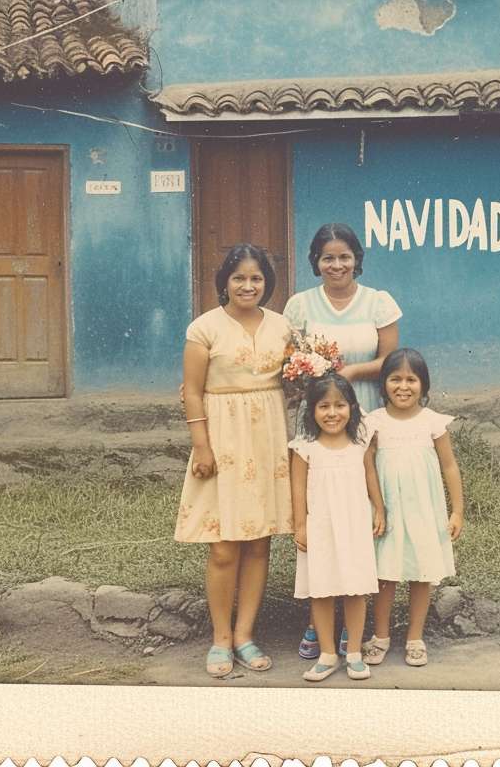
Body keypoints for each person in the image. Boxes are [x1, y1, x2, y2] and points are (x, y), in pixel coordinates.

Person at [283, 222, 402, 658]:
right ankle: (318, 626)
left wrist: (349, 373)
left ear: (357, 259)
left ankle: (360, 624)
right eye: (327, 257)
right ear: (316, 261)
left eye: (345, 256)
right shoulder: (299, 305)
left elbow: (389, 358)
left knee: (361, 513)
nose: (336, 265)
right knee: (321, 515)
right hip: (319, 419)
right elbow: (287, 359)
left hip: (364, 411)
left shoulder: (379, 302)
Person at [175, 242, 293, 678]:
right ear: (224, 281)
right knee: (224, 545)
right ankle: (220, 638)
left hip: (268, 439)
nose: (248, 285)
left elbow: (295, 381)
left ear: (267, 283)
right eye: (239, 277)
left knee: (259, 539)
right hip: (222, 439)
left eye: (257, 278)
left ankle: (245, 634)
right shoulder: (204, 328)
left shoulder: (283, 327)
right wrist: (202, 446)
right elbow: (191, 390)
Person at [361, 348, 464, 668]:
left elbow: (449, 467)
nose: (403, 387)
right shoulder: (374, 422)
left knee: (422, 572)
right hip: (388, 509)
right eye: (395, 379)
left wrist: (457, 510)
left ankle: (415, 638)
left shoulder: (432, 422)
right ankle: (380, 636)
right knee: (384, 573)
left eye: (411, 379)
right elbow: (368, 468)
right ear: (383, 384)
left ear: (424, 385)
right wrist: (378, 508)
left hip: (424, 509)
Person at [289, 371, 386, 682]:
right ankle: (328, 653)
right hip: (320, 526)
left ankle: (354, 653)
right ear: (312, 410)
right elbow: (297, 488)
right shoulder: (305, 447)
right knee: (321, 589)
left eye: (340, 405)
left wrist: (380, 509)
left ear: (352, 408)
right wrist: (300, 526)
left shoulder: (359, 443)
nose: (332, 413)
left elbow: (371, 476)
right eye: (324, 406)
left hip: (354, 524)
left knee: (356, 587)